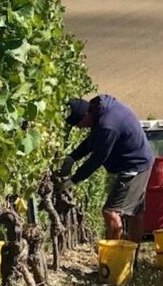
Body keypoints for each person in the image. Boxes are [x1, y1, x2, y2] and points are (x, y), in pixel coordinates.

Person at [60, 95, 155, 242]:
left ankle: (114, 259)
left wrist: (74, 179)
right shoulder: (100, 110)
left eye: (78, 123)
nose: (79, 127)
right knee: (135, 212)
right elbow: (93, 140)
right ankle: (129, 259)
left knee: (110, 212)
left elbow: (98, 158)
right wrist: (73, 157)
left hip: (135, 164)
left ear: (86, 115)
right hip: (138, 159)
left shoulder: (107, 125)